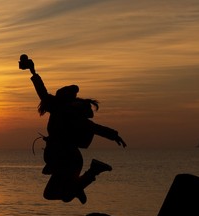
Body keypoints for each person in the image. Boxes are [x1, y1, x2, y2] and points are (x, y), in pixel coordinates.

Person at [19, 54, 127, 204]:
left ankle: (92, 172)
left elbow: (94, 127)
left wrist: (114, 135)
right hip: (63, 159)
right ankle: (87, 178)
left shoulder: (69, 114)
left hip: (68, 160)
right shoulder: (59, 108)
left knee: (54, 194)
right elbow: (42, 93)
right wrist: (33, 72)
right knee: (65, 195)